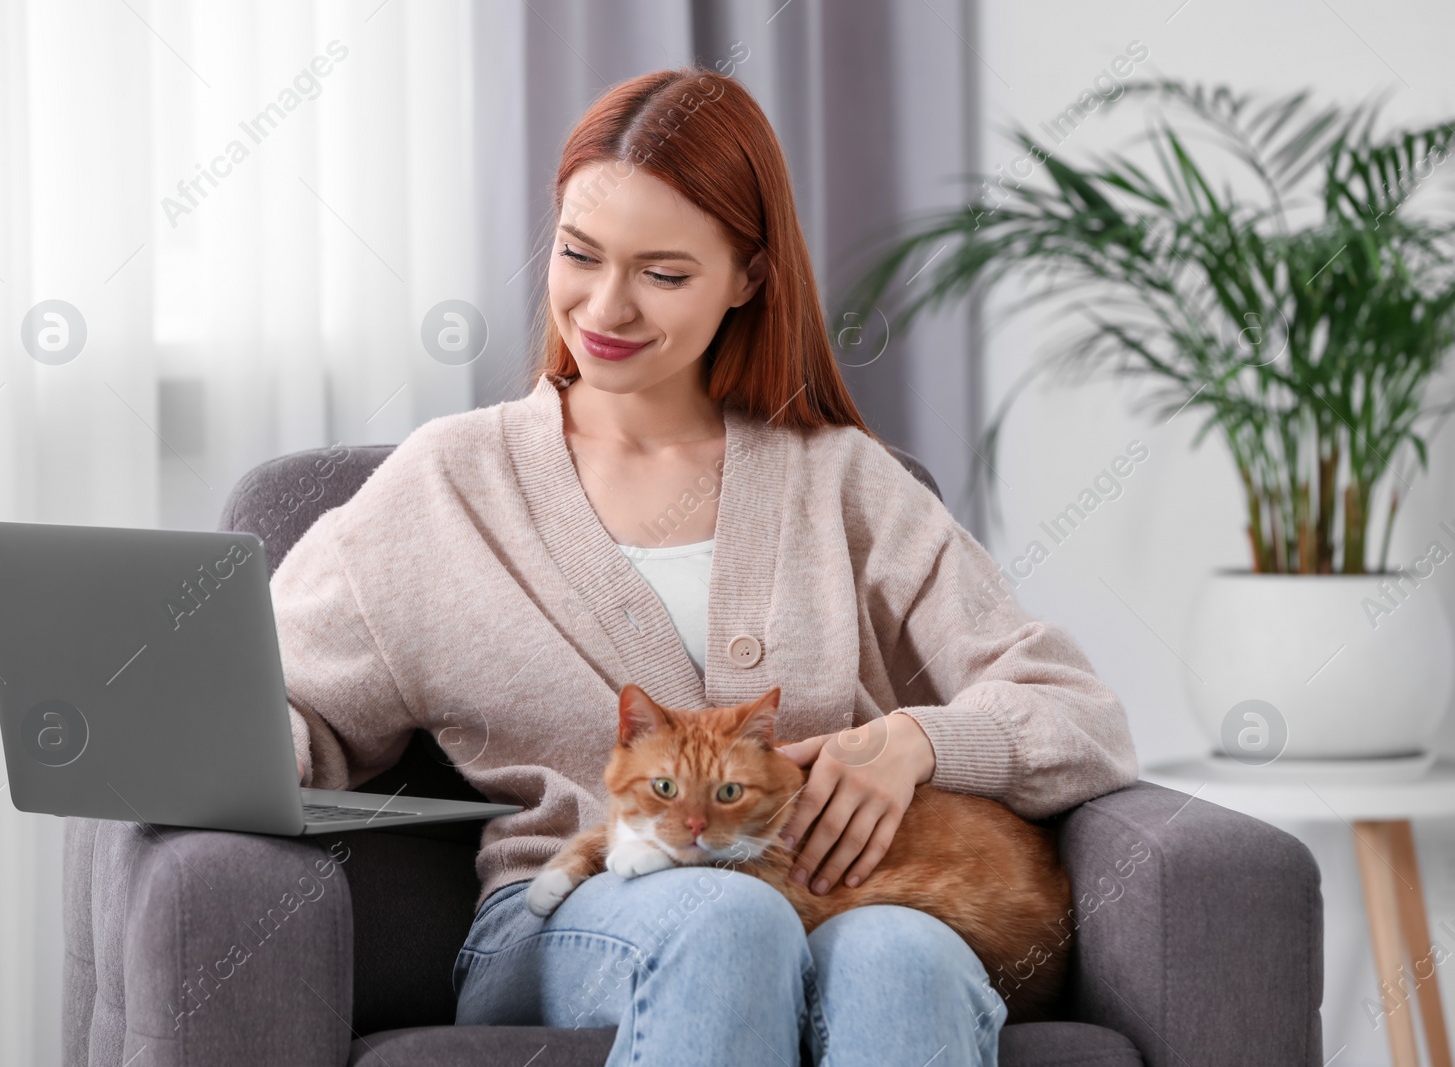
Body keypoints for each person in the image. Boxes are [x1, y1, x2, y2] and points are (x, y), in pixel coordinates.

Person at [273, 66, 1138, 1066]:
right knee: (730, 920)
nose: (604, 305)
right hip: (572, 915)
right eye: (577, 254)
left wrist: (914, 742)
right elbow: (274, 703)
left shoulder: (839, 478)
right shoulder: (448, 483)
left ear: (748, 277)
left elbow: (1082, 716)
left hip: (828, 894)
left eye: (663, 273)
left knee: (907, 951)